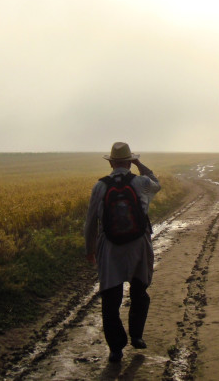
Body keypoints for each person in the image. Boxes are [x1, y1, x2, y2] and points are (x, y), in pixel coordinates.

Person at [84, 142, 161, 363]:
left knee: (111, 299)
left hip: (110, 247)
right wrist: (140, 164)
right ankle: (136, 335)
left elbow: (90, 222)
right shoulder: (141, 183)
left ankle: (116, 349)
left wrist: (90, 250)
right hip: (139, 246)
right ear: (129, 162)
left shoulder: (100, 186)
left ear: (111, 163)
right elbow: (157, 184)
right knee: (139, 291)